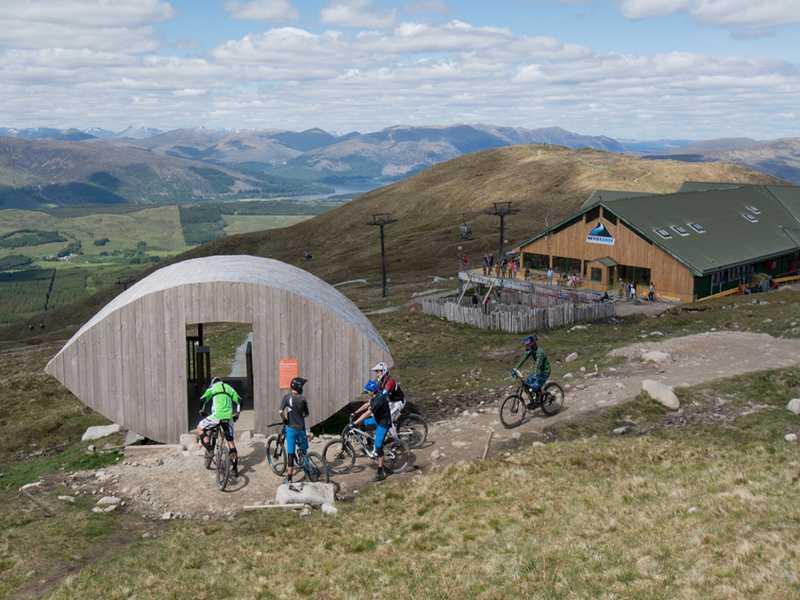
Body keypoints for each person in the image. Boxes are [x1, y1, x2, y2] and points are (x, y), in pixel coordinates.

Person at [195, 377, 241, 477]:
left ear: (213, 383)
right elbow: (239, 401)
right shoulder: (229, 388)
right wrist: (237, 414)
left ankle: (210, 449)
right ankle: (234, 468)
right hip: (228, 418)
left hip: (216, 416)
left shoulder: (213, 388)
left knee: (199, 427)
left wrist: (201, 410)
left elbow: (202, 399)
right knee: (230, 442)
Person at [354, 380, 393, 481]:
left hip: (383, 423)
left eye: (367, 392)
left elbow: (367, 413)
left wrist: (355, 422)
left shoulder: (379, 400)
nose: (366, 393)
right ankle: (369, 441)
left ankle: (380, 472)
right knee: (362, 424)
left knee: (378, 446)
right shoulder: (374, 396)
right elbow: (367, 405)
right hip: (377, 419)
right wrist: (355, 413)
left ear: (372, 392)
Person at [279, 376, 309, 484]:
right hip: (301, 429)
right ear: (299, 388)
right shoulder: (303, 399)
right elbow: (306, 414)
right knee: (304, 451)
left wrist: (285, 420)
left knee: (290, 454)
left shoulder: (287, 397)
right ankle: (307, 471)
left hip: (291, 429)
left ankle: (289, 478)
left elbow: (280, 412)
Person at [514, 335, 551, 408]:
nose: (526, 347)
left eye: (528, 345)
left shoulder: (540, 352)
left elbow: (538, 364)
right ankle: (533, 400)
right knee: (526, 385)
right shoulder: (531, 350)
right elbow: (523, 359)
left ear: (533, 344)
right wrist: (515, 368)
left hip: (545, 371)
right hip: (537, 371)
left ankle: (541, 398)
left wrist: (535, 374)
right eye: (526, 345)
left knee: (534, 386)